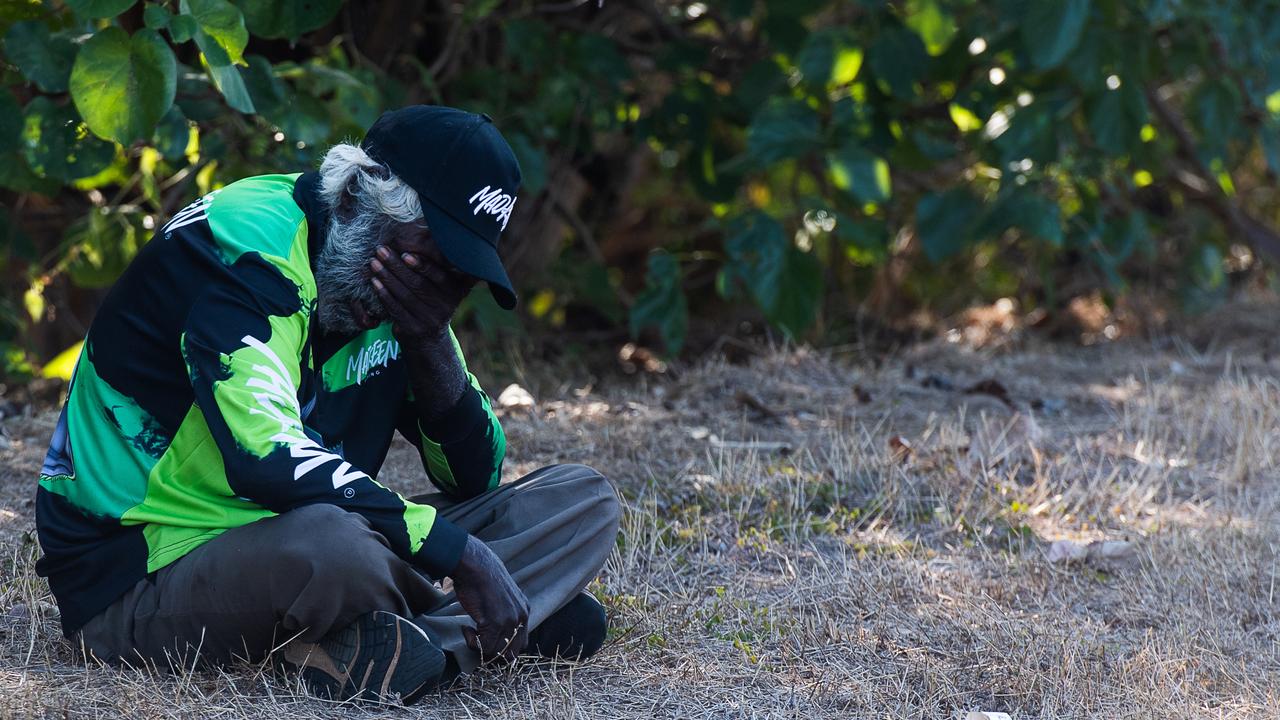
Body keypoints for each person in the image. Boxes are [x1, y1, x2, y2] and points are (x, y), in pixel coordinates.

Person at [33, 105, 621, 705]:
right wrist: (462, 555)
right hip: (142, 574)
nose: (435, 293)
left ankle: (387, 642)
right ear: (353, 200)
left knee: (583, 500)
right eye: (429, 261)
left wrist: (427, 339)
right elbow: (265, 457)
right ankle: (451, 632)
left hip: (295, 538)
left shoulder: (404, 293)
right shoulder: (244, 247)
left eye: (458, 280)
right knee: (336, 547)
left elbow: (474, 475)